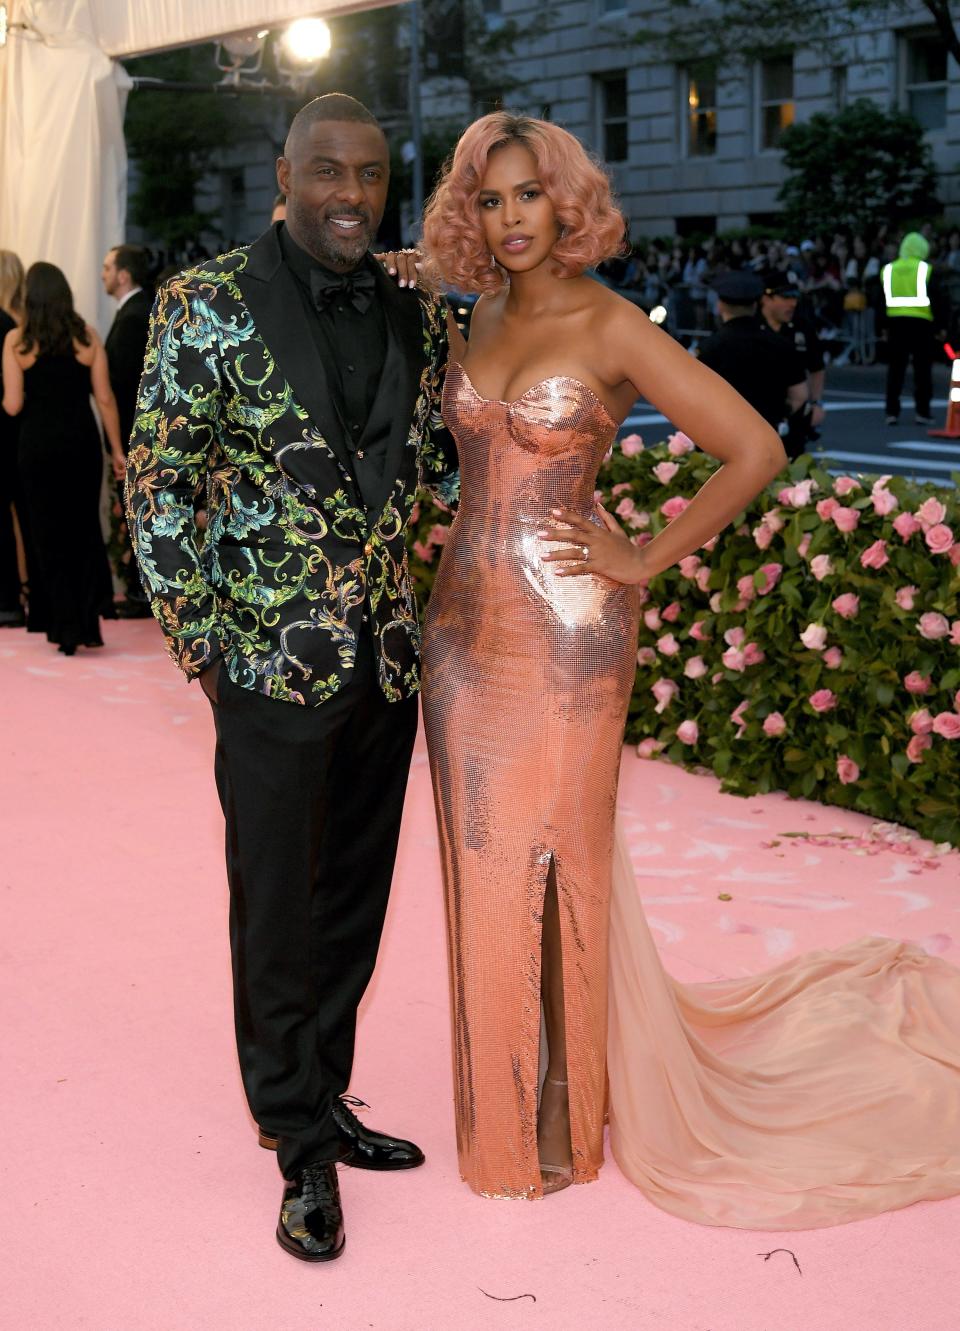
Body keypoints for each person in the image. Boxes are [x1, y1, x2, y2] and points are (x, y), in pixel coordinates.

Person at [417, 111, 960, 1227]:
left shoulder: (611, 323)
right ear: (470, 212)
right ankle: (499, 1119)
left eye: (529, 195)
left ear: (567, 203)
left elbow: (754, 447)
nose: (512, 218)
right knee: (480, 868)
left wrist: (642, 555)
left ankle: (563, 1117)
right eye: (491, 199)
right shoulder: (472, 316)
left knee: (561, 865)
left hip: (569, 631)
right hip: (461, 634)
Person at [125, 94, 459, 1264]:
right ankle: (294, 1138)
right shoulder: (204, 302)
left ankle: (326, 1097)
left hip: (384, 664)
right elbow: (158, 488)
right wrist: (206, 649)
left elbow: (433, 472)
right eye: (328, 170)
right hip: (264, 666)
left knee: (352, 902)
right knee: (277, 907)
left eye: (370, 174)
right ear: (284, 172)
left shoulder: (417, 309)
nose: (352, 194)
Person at [1, 263, 124, 655]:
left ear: (28, 298)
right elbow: (104, 399)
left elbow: (13, 403)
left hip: (37, 447)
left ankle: (62, 625)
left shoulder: (16, 341)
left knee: (46, 535)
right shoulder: (86, 337)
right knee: (83, 528)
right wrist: (117, 450)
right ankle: (87, 624)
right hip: (80, 444)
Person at [697, 270, 808, 456]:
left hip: (721, 436)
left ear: (721, 305)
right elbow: (799, 394)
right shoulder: (782, 345)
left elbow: (695, 395)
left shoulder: (710, 347)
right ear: (756, 304)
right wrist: (779, 413)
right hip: (768, 433)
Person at [102, 243, 153, 616]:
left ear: (123, 274)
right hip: (132, 438)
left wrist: (122, 446)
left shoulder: (135, 317)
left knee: (138, 514)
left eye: (107, 268)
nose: (102, 274)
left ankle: (140, 594)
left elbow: (127, 387)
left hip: (135, 438)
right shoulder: (134, 312)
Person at [882, 231, 947, 426]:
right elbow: (938, 299)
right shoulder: (925, 269)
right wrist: (941, 326)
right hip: (921, 324)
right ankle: (922, 412)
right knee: (922, 370)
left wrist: (882, 326)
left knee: (895, 369)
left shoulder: (889, 269)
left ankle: (891, 412)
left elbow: (881, 300)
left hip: (895, 323)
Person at [760, 268, 826, 435]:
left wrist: (816, 403)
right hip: (758, 410)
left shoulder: (802, 327)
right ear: (766, 298)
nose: (792, 303)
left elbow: (816, 366)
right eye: (786, 297)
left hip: (794, 410)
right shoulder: (751, 327)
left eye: (795, 297)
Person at [0, 250, 29, 628]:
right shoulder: (31, 319)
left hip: (11, 428)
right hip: (25, 431)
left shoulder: (9, 325)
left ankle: (10, 598)